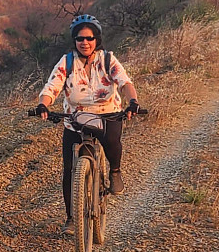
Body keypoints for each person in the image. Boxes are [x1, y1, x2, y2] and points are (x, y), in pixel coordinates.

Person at [31, 15, 141, 225]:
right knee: (70, 170)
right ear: (74, 41)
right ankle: (72, 219)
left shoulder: (107, 60)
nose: (84, 43)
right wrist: (44, 104)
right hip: (76, 119)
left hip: (108, 114)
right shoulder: (67, 61)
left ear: (96, 39)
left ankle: (115, 172)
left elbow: (125, 82)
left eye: (89, 38)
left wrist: (133, 101)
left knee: (112, 142)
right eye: (80, 39)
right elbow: (52, 87)